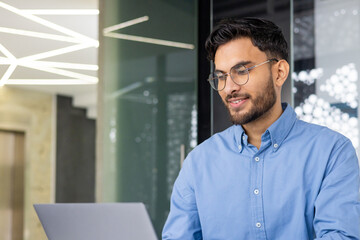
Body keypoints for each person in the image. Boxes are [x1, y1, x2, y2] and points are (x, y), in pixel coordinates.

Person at [162, 17, 360, 240]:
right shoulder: (198, 163)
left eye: (242, 71)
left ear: (279, 72)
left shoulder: (331, 152)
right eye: (221, 76)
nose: (229, 88)